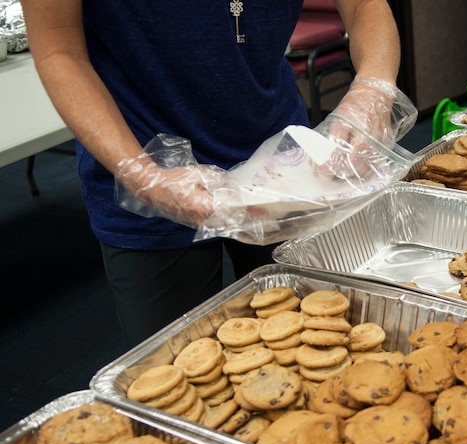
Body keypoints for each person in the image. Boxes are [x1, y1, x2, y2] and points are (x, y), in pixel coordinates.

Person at [21, 0, 403, 347]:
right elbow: (59, 49)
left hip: (286, 169)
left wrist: (374, 85)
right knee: (180, 368)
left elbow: (363, 5)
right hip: (145, 167)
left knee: (317, 340)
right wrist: (141, 175)